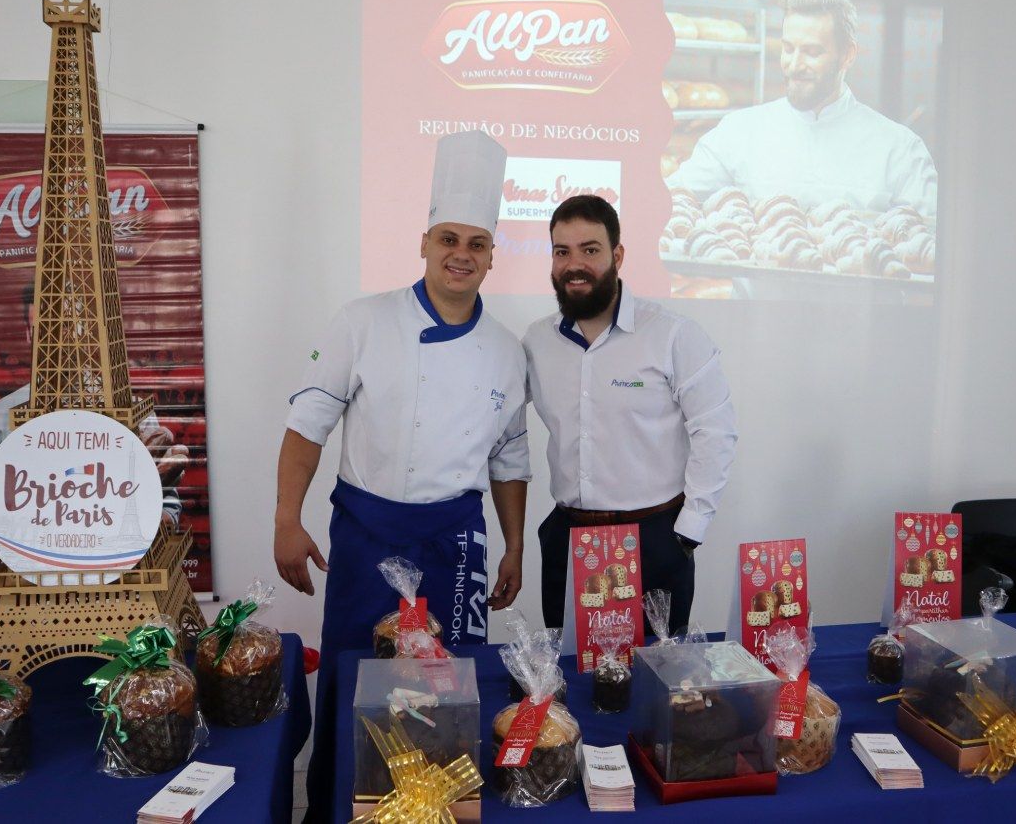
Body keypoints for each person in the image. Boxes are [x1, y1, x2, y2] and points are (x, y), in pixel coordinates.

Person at [275, 130, 529, 822]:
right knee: (354, 678)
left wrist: (515, 545)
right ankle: (337, 810)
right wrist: (286, 520)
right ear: (424, 242)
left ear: (491, 256)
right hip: (367, 536)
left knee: (452, 689)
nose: (461, 254)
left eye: (476, 243)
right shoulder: (362, 321)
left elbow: (509, 459)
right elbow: (307, 426)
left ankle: (444, 809)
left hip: (455, 542)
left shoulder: (507, 351)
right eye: (449, 238)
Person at [523, 194, 737, 635]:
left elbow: (715, 431)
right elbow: (498, 422)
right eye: (562, 252)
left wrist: (689, 530)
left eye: (590, 250)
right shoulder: (537, 342)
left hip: (655, 538)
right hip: (569, 537)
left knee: (655, 669)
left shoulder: (673, 335)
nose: (574, 265)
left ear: (617, 256)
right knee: (567, 669)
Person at [670, 0, 937, 219]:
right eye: (788, 49)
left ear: (847, 55)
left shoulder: (899, 149)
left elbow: (930, 238)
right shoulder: (740, 132)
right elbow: (670, 199)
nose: (795, 65)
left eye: (811, 52)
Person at [0, 283, 186, 541]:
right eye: (43, 329)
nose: (54, 340)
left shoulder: (134, 412)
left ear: (86, 332)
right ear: (27, 334)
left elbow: (168, 507)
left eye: (67, 327)